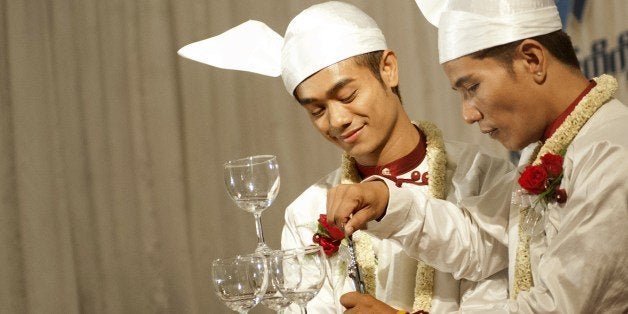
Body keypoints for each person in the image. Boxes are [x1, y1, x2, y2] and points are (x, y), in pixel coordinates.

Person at [177, 2, 515, 313]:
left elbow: (500, 299)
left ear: (388, 69)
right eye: (317, 110)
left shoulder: (482, 177)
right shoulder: (308, 212)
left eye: (347, 95)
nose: (336, 120)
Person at [328, 0, 628, 313]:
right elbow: (479, 237)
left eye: (472, 87)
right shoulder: (545, 149)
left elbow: (557, 307)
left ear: (533, 59)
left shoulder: (612, 152)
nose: (467, 114)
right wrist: (387, 202)